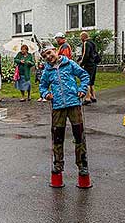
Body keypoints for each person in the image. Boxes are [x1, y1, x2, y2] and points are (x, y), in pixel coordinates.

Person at [39, 43, 91, 185]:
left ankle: (82, 166)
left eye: (50, 53)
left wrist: (82, 89)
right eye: (45, 56)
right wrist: (46, 94)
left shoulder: (69, 64)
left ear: (55, 51)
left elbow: (84, 75)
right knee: (57, 137)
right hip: (57, 107)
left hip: (74, 103)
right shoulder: (47, 71)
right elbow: (42, 86)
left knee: (79, 135)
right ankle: (58, 165)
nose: (48, 57)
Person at [77, 31, 98, 104]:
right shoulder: (93, 43)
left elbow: (86, 54)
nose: (80, 39)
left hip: (88, 64)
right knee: (92, 81)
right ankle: (93, 96)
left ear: (83, 37)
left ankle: (88, 98)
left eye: (80, 37)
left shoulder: (86, 43)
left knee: (87, 80)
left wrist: (81, 63)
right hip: (94, 64)